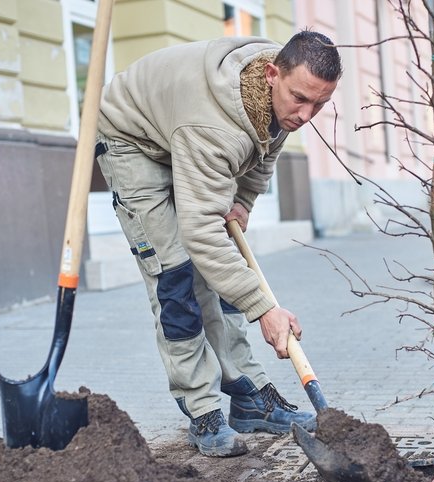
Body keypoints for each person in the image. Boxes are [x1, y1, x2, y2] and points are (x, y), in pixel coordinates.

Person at [95, 31, 342, 457]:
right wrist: (264, 309)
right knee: (176, 276)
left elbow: (264, 151)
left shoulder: (279, 99)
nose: (306, 115)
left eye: (320, 104)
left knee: (223, 268)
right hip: (132, 141)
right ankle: (202, 408)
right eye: (301, 99)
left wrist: (242, 202)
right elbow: (200, 234)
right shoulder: (214, 126)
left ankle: (248, 393)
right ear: (271, 75)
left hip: (180, 130)